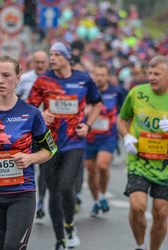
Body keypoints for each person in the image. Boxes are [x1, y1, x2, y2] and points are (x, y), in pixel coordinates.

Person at [0, 55, 57, 250]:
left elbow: (50, 149)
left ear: (17, 78)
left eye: (6, 75)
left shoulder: (32, 113)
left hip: (21, 194)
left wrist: (30, 158)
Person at [28, 41, 102, 250]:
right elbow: (28, 107)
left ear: (67, 57)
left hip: (74, 142)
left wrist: (88, 124)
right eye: (51, 54)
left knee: (66, 186)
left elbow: (97, 103)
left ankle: (70, 226)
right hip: (48, 143)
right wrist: (41, 115)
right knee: (53, 190)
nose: (53, 59)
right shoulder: (43, 80)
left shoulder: (83, 79)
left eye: (58, 55)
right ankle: (60, 239)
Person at [117, 55, 168, 250]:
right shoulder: (137, 93)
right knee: (137, 206)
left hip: (165, 164)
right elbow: (122, 120)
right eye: (150, 73)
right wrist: (127, 136)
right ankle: (140, 245)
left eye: (157, 74)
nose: (152, 77)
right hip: (139, 160)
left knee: (161, 213)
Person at [84, 62, 125, 216]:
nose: (99, 78)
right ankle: (97, 201)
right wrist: (86, 110)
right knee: (91, 171)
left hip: (108, 137)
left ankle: (103, 194)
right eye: (97, 75)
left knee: (102, 166)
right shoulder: (88, 92)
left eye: (102, 75)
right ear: (93, 76)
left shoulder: (116, 92)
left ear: (107, 76)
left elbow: (125, 111)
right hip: (89, 137)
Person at [16, 49, 50, 221]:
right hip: (27, 129)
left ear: (47, 63)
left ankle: (42, 200)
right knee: (28, 163)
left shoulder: (53, 79)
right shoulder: (25, 79)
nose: (40, 65)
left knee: (44, 165)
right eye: (37, 62)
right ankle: (26, 198)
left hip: (48, 130)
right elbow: (14, 101)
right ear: (32, 63)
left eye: (43, 62)